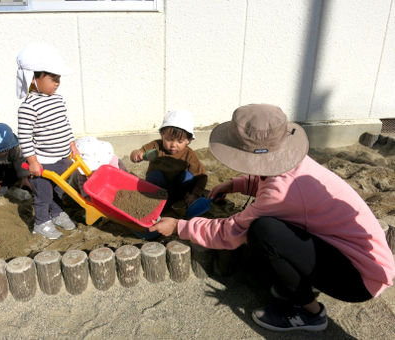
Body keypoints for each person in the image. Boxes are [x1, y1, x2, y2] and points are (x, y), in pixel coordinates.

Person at [149, 104, 395, 332]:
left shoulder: (279, 195)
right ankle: (298, 286)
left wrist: (179, 226)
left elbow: (230, 232)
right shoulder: (295, 164)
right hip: (361, 258)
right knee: (270, 229)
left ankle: (311, 313)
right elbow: (269, 181)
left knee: (263, 231)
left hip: (359, 278)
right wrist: (234, 184)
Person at [16, 42, 80, 240]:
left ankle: (57, 213)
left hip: (62, 157)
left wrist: (72, 144)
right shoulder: (28, 106)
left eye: (58, 78)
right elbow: (25, 136)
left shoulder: (58, 99)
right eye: (53, 78)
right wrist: (33, 161)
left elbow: (64, 124)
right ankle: (41, 223)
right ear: (34, 78)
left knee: (59, 190)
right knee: (43, 194)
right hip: (44, 161)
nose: (57, 82)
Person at [129, 109, 207, 208]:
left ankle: (177, 199)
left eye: (180, 141)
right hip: (159, 186)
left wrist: (195, 194)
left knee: (188, 176)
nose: (173, 145)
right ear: (162, 134)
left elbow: (202, 176)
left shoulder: (189, 154)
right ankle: (157, 200)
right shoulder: (156, 145)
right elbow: (137, 154)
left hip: (178, 187)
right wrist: (136, 154)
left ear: (188, 140)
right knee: (155, 175)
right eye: (169, 139)